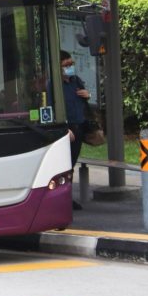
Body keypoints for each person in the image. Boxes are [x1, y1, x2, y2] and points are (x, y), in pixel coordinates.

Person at [61, 50, 91, 210]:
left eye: (71, 64)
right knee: (64, 166)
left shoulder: (75, 80)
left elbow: (86, 98)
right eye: (66, 65)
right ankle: (63, 198)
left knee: (71, 164)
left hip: (79, 127)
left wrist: (88, 95)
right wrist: (64, 128)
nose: (70, 67)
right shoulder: (54, 85)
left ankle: (68, 197)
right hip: (67, 129)